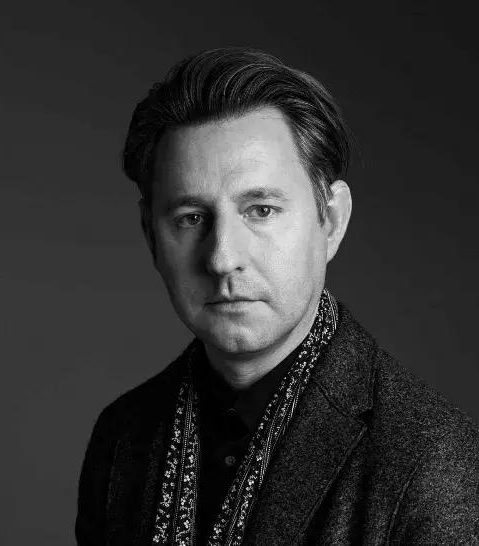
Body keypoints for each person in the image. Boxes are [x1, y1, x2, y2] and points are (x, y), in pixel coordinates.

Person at [75, 47, 479, 545]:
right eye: (191, 218)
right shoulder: (122, 436)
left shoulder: (430, 461)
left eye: (261, 210)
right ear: (150, 235)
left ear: (331, 220)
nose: (222, 257)